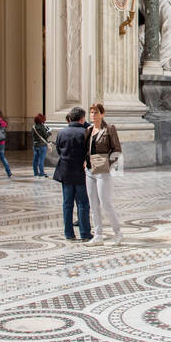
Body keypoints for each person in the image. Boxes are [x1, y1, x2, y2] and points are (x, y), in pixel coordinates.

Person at [85, 103, 124, 244]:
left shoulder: (109, 129)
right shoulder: (89, 130)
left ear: (102, 114)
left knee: (105, 203)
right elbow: (87, 150)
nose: (93, 115)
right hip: (89, 170)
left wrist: (108, 165)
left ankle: (118, 232)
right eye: (91, 113)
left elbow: (117, 150)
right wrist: (85, 161)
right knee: (93, 204)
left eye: (95, 112)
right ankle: (98, 235)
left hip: (103, 171)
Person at [53, 107, 92, 241]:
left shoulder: (62, 132)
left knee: (67, 203)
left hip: (65, 171)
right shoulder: (86, 132)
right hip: (81, 172)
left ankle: (68, 233)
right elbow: (90, 151)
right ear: (82, 118)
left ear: (70, 118)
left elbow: (58, 149)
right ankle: (85, 233)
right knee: (82, 203)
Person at [31, 113, 52, 178]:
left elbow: (32, 136)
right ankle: (42, 173)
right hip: (42, 146)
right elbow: (45, 136)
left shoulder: (33, 127)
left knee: (35, 160)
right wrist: (49, 132)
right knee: (41, 160)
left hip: (35, 145)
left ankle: (35, 173)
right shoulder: (42, 127)